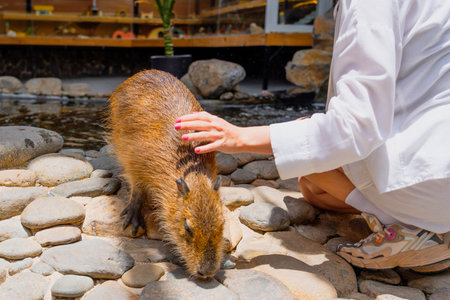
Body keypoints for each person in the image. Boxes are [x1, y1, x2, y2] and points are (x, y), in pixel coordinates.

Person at [175, 0, 450, 272]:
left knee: (313, 167)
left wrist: (239, 137)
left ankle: (406, 227)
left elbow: (354, 128)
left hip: (433, 182)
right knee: (312, 186)